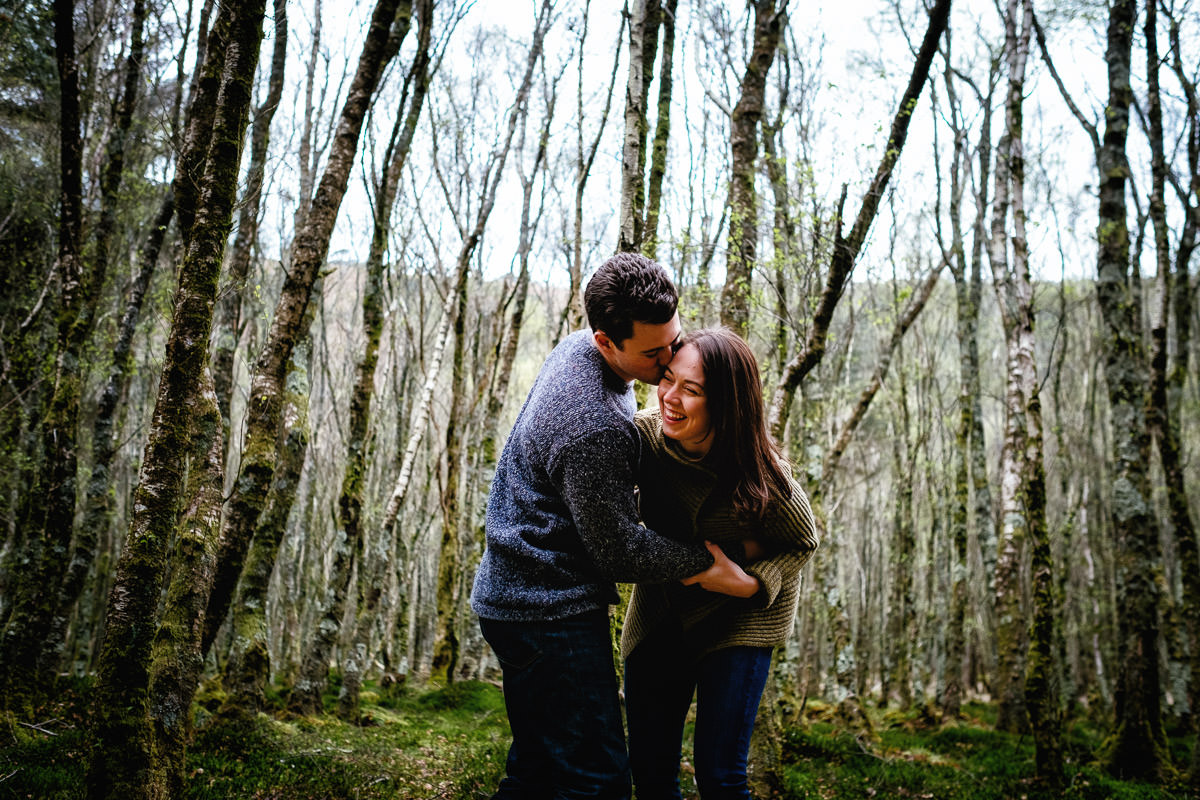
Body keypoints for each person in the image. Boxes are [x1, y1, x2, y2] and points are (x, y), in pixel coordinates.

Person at [470, 253, 752, 800]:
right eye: (653, 353)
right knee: (596, 779)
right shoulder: (594, 426)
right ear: (606, 341)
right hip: (547, 611)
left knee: (536, 770)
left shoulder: (581, 349)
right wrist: (705, 563)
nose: (669, 359)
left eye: (673, 341)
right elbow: (618, 553)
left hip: (514, 597)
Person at [622, 327, 820, 800]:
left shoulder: (763, 473)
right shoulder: (642, 439)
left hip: (742, 620)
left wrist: (751, 584)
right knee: (650, 774)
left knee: (720, 777)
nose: (670, 397)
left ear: (726, 403)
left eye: (691, 390)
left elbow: (803, 542)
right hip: (663, 611)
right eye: (668, 379)